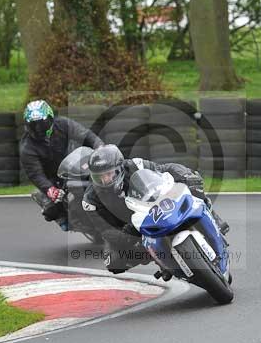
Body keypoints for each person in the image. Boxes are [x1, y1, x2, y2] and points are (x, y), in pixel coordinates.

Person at [82, 144, 229, 274]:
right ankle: (159, 257)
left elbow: (163, 170)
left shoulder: (134, 165)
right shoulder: (90, 200)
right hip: (128, 227)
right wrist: (127, 237)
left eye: (108, 174)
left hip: (154, 205)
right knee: (113, 263)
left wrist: (185, 175)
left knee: (192, 184)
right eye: (99, 177)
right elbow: (105, 230)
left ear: (120, 168)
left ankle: (212, 216)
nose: (104, 180)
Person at [19, 99, 103, 227]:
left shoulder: (62, 124)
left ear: (50, 119)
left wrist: (100, 147)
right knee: (50, 209)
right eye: (33, 125)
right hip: (52, 177)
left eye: (42, 124)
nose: (38, 129)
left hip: (74, 163)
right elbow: (36, 174)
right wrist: (49, 189)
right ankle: (65, 218)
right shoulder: (27, 148)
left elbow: (85, 135)